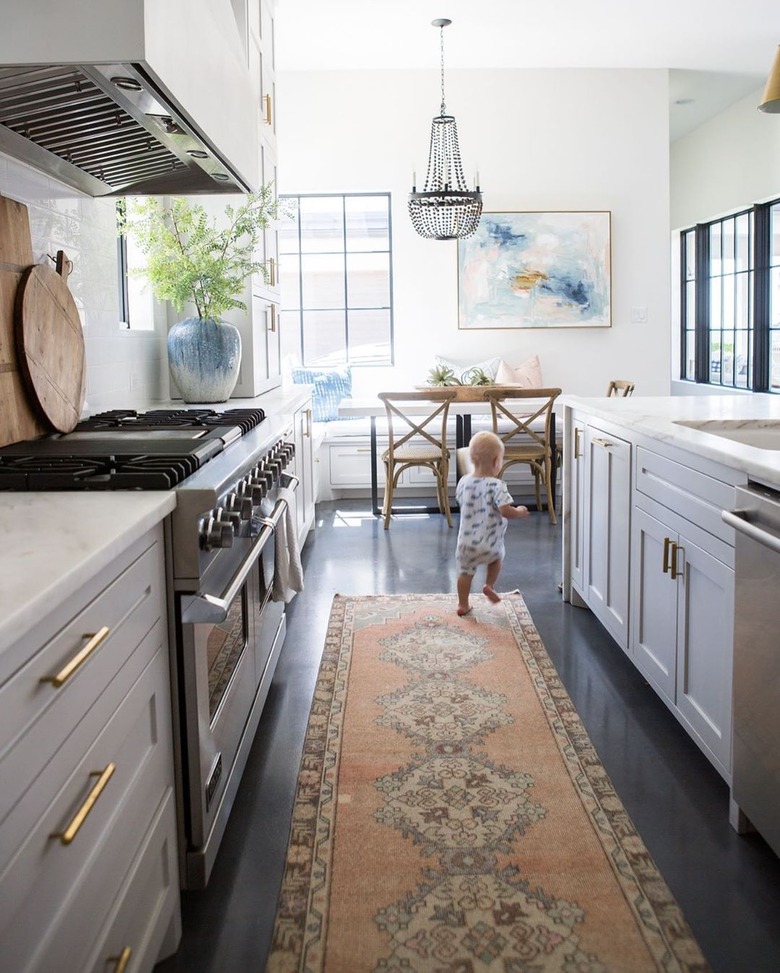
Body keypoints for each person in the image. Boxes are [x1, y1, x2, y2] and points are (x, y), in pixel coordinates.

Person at [455, 430, 529, 616]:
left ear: (471, 460)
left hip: (466, 544)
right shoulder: (497, 485)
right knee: (496, 560)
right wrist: (519, 512)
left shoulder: (464, 482)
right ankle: (489, 585)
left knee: (465, 573)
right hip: (490, 544)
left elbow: (459, 499)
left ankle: (463, 604)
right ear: (497, 461)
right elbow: (505, 510)